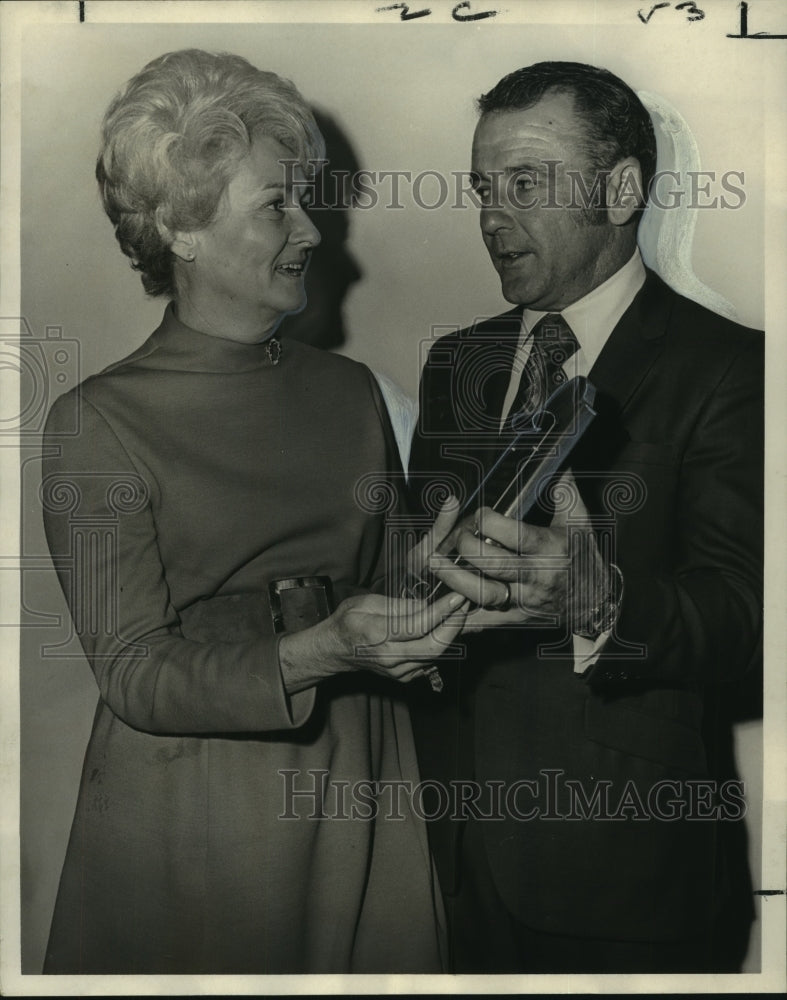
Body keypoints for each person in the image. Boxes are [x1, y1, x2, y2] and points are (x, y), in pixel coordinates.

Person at [40, 48, 467, 975]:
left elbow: (381, 598)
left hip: (366, 782)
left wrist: (440, 580)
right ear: (181, 229)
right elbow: (135, 675)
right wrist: (324, 650)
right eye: (277, 204)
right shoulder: (97, 422)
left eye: (303, 199)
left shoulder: (353, 392)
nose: (312, 231)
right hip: (203, 818)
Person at [408, 61, 763, 973]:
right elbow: (424, 583)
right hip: (445, 864)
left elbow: (748, 623)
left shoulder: (733, 370)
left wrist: (598, 600)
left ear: (620, 189)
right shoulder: (454, 363)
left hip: (625, 877)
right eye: (482, 188)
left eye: (524, 184)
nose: (491, 216)